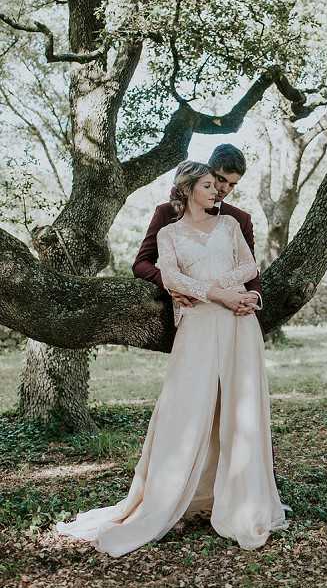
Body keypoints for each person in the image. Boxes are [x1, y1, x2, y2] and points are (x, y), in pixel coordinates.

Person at [55, 162, 288, 555]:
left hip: (238, 325)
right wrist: (216, 294)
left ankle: (241, 499)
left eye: (220, 185)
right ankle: (171, 494)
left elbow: (250, 266)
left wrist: (231, 294)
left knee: (240, 408)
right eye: (210, 185)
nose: (219, 192)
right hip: (197, 326)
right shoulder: (168, 232)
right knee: (185, 407)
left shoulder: (231, 225)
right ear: (187, 189)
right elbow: (170, 277)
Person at [132, 145, 261, 317]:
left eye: (232, 184)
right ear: (208, 171)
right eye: (221, 179)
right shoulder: (166, 212)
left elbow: (249, 266)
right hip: (192, 313)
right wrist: (174, 285)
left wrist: (254, 296)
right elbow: (141, 264)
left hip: (233, 310)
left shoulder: (240, 219)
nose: (225, 189)